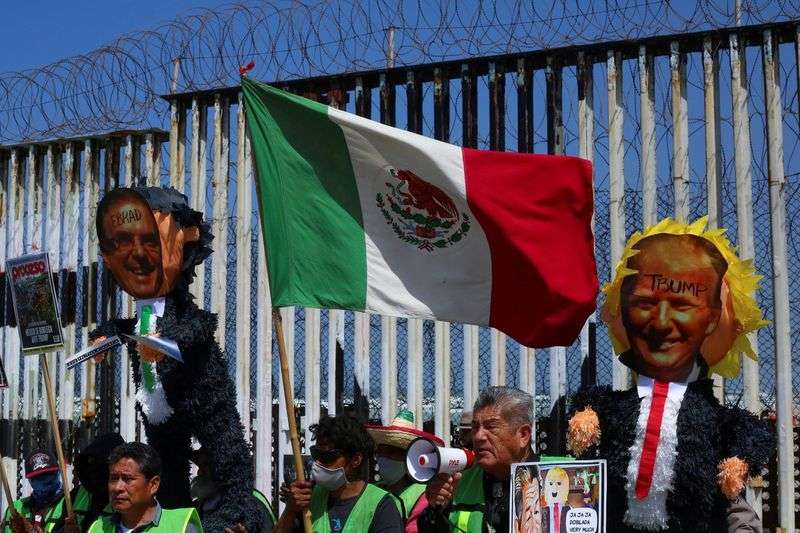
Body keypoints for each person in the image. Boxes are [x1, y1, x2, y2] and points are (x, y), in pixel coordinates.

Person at [568, 229, 773, 532]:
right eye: (646, 303)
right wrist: (587, 414)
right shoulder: (617, 405)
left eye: (683, 306)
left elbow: (746, 430)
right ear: (623, 312)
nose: (662, 323)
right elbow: (596, 403)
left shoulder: (710, 416)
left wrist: (740, 459)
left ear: (714, 318)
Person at [420, 386, 536, 532]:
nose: (478, 436)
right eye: (475, 427)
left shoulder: (560, 478)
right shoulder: (458, 480)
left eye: (491, 427)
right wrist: (436, 508)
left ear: (523, 435)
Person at [276, 414, 403, 533]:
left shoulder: (381, 506)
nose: (318, 462)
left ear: (355, 460)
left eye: (327, 456)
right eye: (316, 454)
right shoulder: (309, 499)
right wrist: (290, 510)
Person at [88, 442, 203, 533]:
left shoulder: (181, 526)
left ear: (153, 485)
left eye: (127, 479)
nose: (118, 487)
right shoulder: (98, 528)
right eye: (113, 478)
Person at [366, 410, 444, 532]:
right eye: (380, 452)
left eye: (391, 452)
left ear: (408, 458)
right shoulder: (373, 490)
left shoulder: (423, 495)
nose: (383, 457)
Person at [190, 446, 275, 532]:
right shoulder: (196, 506)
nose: (199, 472)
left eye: (206, 465)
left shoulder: (253, 500)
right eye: (199, 466)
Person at [1, 449, 77, 533]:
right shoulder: (16, 509)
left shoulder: (71, 506)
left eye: (48, 475)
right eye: (38, 478)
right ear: (29, 480)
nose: (44, 482)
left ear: (58, 472)